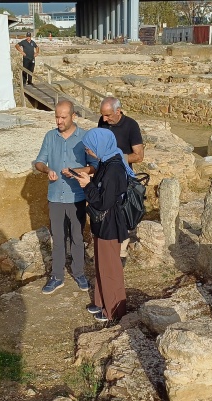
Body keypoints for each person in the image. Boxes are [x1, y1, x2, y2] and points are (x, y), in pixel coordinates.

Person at [68, 128, 131, 323]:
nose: (87, 150)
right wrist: (88, 181)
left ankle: (113, 310)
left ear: (100, 146)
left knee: (110, 268)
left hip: (109, 225)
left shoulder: (113, 169)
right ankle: (101, 301)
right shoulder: (107, 162)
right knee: (101, 265)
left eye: (89, 147)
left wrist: (87, 185)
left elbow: (104, 202)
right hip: (102, 223)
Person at [34, 101, 96, 295]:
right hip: (55, 196)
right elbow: (38, 162)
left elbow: (95, 165)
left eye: (63, 117)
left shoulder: (85, 137)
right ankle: (57, 276)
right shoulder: (50, 136)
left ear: (73, 117)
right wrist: (47, 170)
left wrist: (78, 171)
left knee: (77, 237)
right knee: (58, 238)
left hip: (77, 196)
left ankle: (79, 273)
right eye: (56, 117)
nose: (59, 121)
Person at [97, 96, 144, 266]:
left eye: (108, 115)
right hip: (104, 175)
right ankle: (108, 245)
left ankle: (122, 251)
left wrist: (116, 158)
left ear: (118, 111)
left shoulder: (131, 125)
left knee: (123, 213)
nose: (104, 119)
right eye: (103, 115)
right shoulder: (103, 122)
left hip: (123, 176)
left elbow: (139, 156)